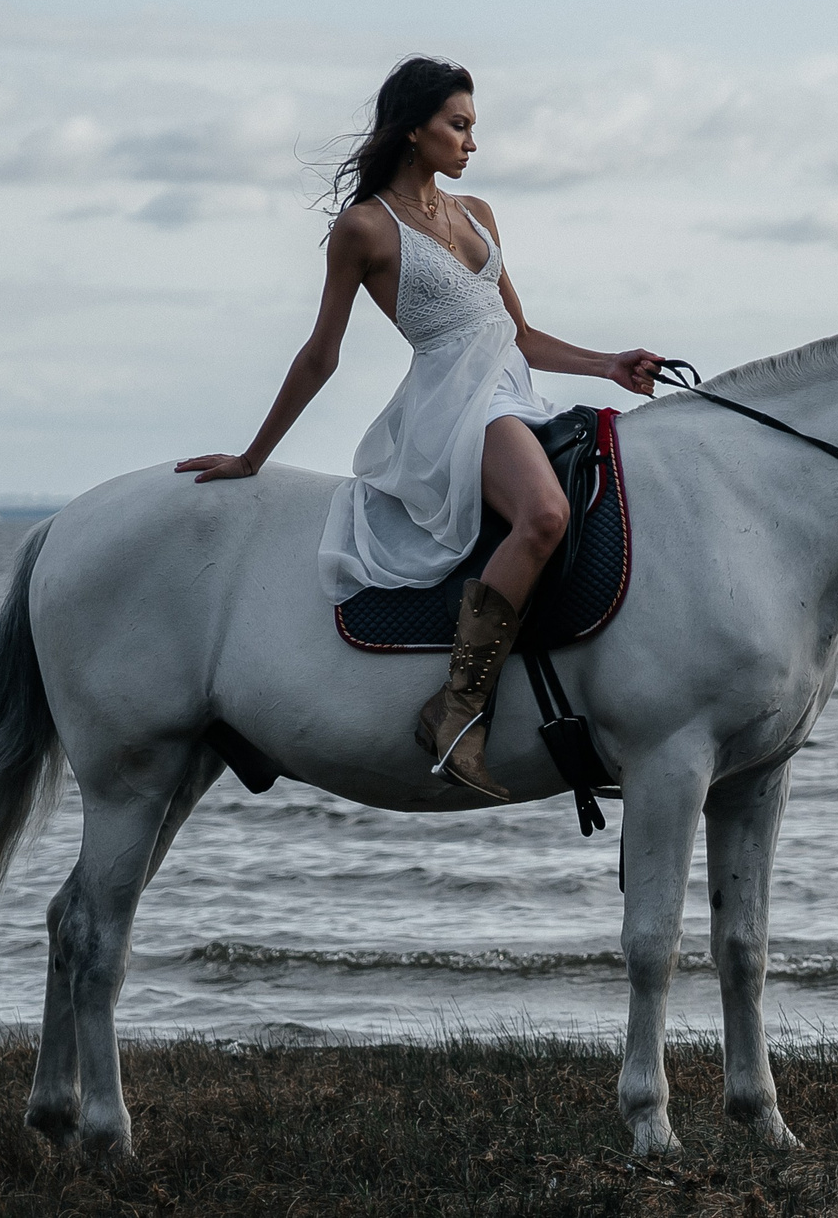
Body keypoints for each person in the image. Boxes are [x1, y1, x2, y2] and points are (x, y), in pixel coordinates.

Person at [178, 58, 664, 800]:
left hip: (512, 391)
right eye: (459, 125)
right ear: (414, 129)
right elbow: (320, 355)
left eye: (473, 128)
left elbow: (520, 334)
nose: (472, 143)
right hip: (451, 409)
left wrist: (609, 363)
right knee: (545, 513)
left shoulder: (479, 214)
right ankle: (456, 708)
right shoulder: (365, 227)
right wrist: (253, 456)